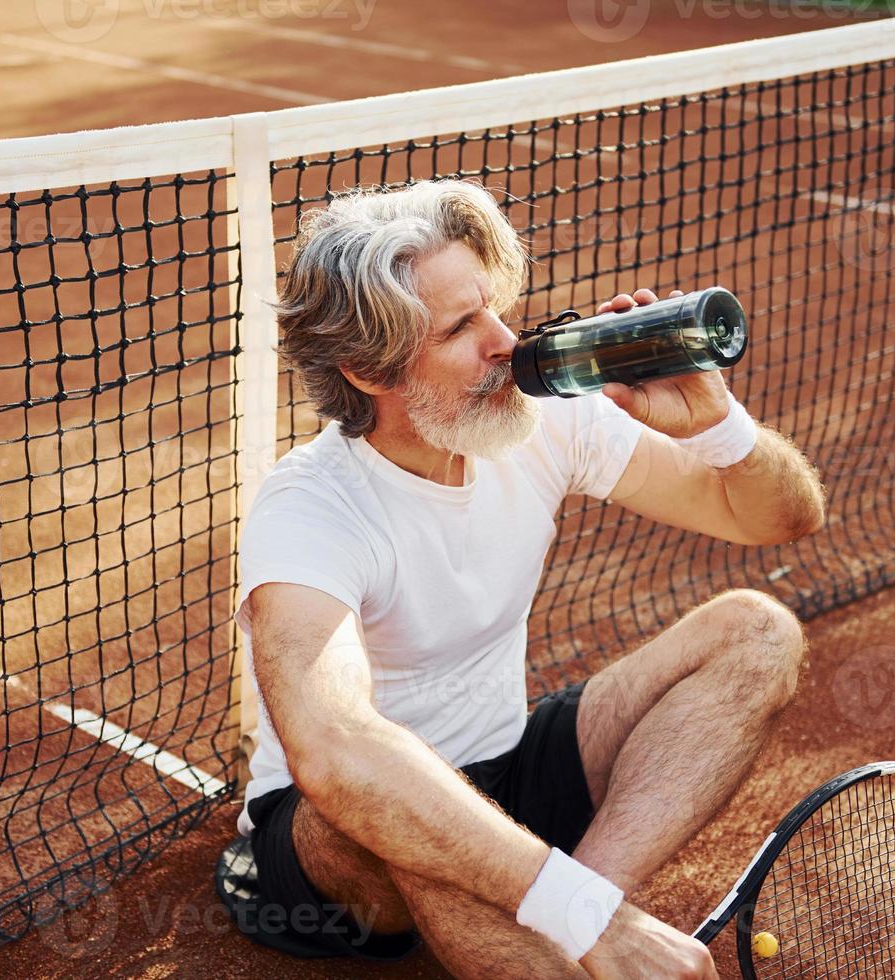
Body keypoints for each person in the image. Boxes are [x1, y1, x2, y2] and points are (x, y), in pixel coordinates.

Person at [230, 178, 826, 978]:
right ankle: (578, 925)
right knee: (391, 809)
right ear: (369, 371)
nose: (505, 342)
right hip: (339, 842)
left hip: (508, 768)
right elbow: (335, 746)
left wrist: (718, 427)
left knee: (758, 633)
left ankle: (574, 916)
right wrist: (593, 925)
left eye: (494, 309)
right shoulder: (311, 508)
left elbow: (775, 519)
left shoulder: (540, 420)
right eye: (460, 328)